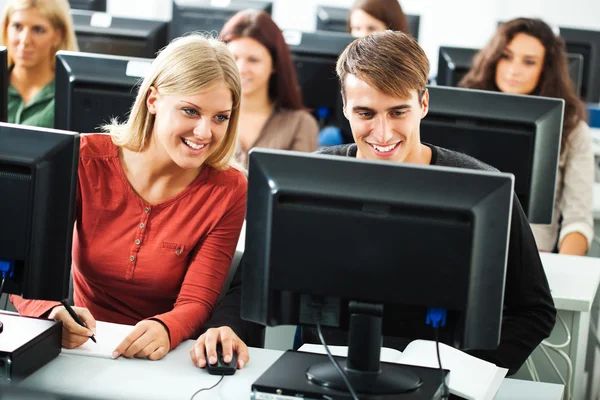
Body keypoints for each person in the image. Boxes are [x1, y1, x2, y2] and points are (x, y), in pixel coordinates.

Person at [306, 31, 556, 375]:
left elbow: (534, 311)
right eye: (365, 113)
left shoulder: (483, 186)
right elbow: (260, 284)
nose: (382, 133)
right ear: (345, 106)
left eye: (398, 112)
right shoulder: (313, 176)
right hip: (327, 372)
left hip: (439, 379)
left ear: (423, 103)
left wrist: (467, 376)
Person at [11, 34, 250, 367]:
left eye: (220, 117)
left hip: (164, 357)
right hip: (81, 351)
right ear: (153, 100)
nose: (205, 132)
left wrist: (167, 327)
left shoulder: (228, 188)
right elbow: (22, 269)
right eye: (190, 111)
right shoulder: (85, 160)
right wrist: (50, 312)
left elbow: (198, 299)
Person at [459, 18, 594, 256]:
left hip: (531, 256)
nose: (514, 69)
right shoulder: (458, 117)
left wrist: (556, 272)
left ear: (546, 70)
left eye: (529, 62)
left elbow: (578, 221)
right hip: (463, 247)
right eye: (506, 56)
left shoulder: (572, 130)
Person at [219, 10, 318, 168]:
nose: (241, 68)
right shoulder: (209, 117)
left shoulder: (300, 124)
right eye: (234, 58)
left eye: (253, 60)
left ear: (274, 65)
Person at [1, 0, 78, 128]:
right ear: (6, 28)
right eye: (17, 27)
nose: (24, 40)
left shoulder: (71, 98)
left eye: (38, 30)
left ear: (58, 35)